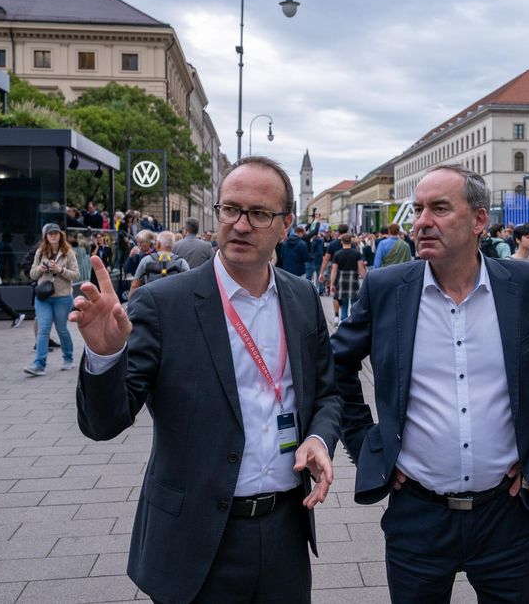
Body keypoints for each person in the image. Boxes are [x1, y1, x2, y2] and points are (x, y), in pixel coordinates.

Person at [331, 165, 529, 603]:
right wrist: (368, 441)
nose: (422, 220)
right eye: (419, 208)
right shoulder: (387, 289)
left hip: (507, 516)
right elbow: (337, 363)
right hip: (417, 516)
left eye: (439, 208)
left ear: (479, 220)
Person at [71, 156, 342, 603]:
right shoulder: (164, 304)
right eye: (230, 209)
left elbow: (327, 394)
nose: (240, 224)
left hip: (284, 533)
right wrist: (105, 355)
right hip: (195, 537)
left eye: (259, 214)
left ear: (286, 224)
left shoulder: (301, 298)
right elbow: (104, 424)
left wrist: (317, 436)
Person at [25, 223, 79, 376]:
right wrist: (40, 269)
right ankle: (39, 365)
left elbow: (76, 275)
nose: (53, 236)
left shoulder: (68, 252)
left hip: (62, 297)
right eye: (50, 233)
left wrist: (59, 270)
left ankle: (68, 358)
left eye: (56, 233)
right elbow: (32, 274)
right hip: (43, 297)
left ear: (61, 235)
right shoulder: (40, 252)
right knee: (43, 329)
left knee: (61, 329)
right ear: (46, 237)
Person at [128, 231, 189, 298]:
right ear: (173, 245)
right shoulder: (181, 262)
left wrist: (130, 303)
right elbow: (189, 286)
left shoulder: (146, 260)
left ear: (158, 244)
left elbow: (135, 286)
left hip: (151, 303)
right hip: (174, 304)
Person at [328, 233, 365, 324]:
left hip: (341, 281)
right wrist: (365, 280)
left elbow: (334, 270)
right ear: (351, 241)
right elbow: (361, 270)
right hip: (353, 281)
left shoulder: (337, 254)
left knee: (344, 304)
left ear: (341, 242)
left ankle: (343, 323)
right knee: (354, 303)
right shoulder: (356, 253)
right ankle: (355, 322)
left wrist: (332, 283)